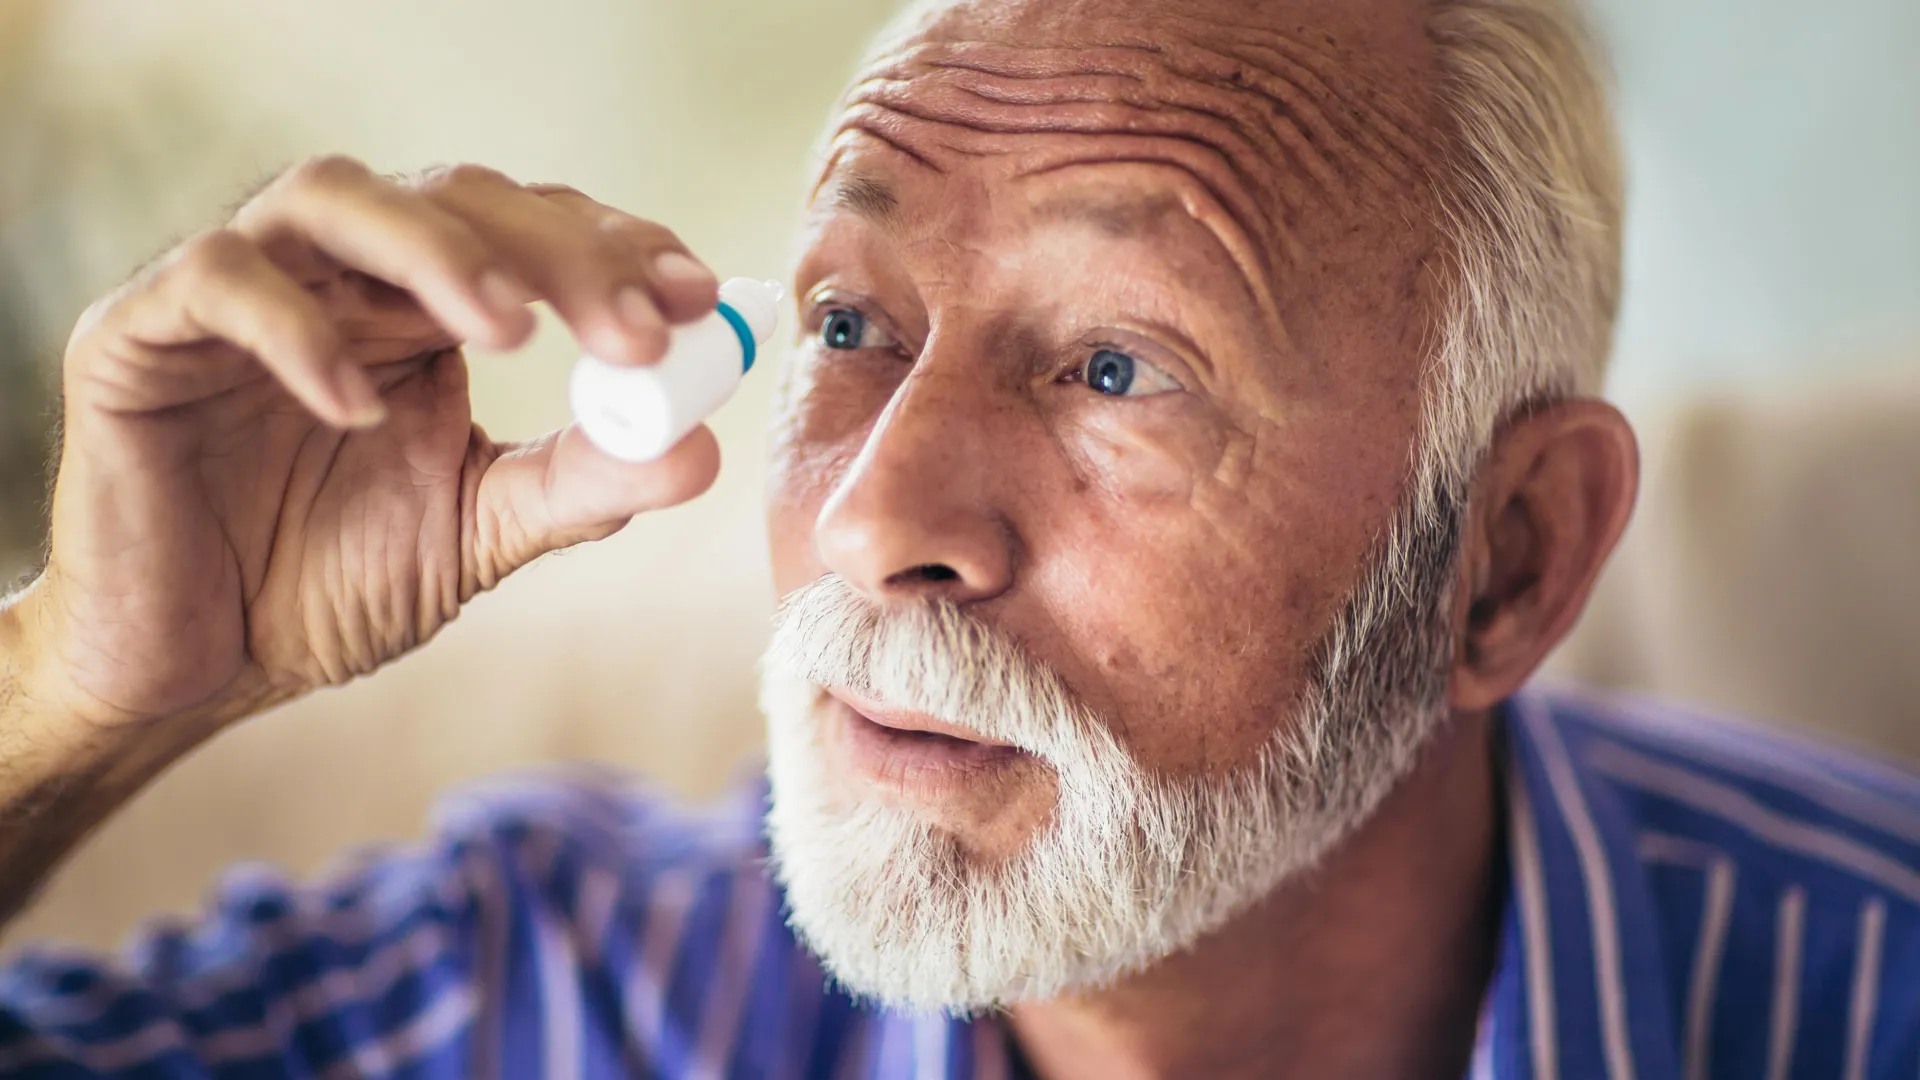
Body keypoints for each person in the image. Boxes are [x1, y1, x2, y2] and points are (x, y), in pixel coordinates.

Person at [0, 0, 1914, 1075]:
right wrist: (85, 678)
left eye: (1111, 366)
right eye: (850, 325)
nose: (870, 515)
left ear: (1503, 561)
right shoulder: (555, 992)